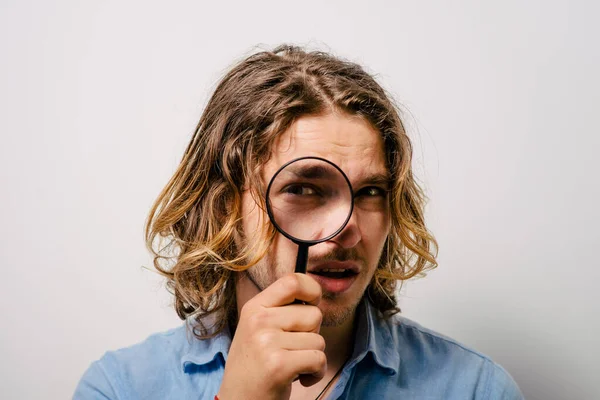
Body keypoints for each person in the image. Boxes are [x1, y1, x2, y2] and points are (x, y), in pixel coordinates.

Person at [74, 44, 524, 400]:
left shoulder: (476, 389)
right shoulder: (120, 388)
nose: (348, 227)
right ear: (223, 207)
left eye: (370, 192)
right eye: (304, 189)